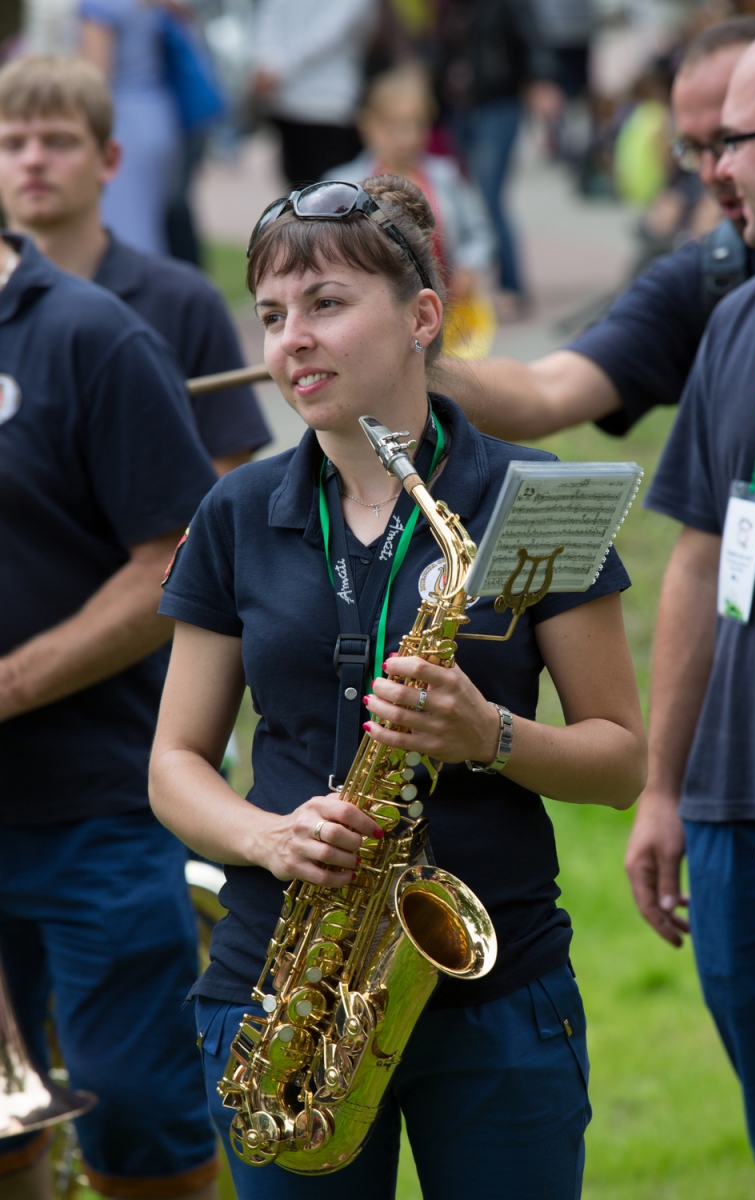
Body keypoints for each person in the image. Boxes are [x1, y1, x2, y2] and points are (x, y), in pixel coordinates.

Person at [148, 173, 647, 1200]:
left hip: (490, 987)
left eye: (326, 304)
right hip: (283, 993)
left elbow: (619, 761)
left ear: (421, 317)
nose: (292, 340)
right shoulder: (238, 510)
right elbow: (173, 763)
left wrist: (491, 735)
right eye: (274, 316)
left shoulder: (531, 495)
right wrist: (266, 837)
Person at [0, 225, 220, 1198]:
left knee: (138, 1118)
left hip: (93, 805)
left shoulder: (92, 336)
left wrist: (9, 685)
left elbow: (176, 563)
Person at [624, 18, 755, 1199]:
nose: (713, 169)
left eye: (735, 140)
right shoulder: (742, 315)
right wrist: (659, 785)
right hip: (739, 831)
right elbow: (694, 559)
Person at [438, 15, 755, 442]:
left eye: (730, 139)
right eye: (692, 149)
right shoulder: (713, 273)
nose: (711, 173)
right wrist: (398, 370)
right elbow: (546, 391)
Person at [0, 55, 271, 475]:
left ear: (108, 159)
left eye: (59, 142)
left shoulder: (184, 300)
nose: (33, 160)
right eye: (13, 144)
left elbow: (225, 471)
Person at [326, 62, 496, 357]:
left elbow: (479, 231)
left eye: (417, 125)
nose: (407, 137)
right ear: (369, 125)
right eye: (396, 126)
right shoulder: (342, 186)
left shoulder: (446, 177)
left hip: (444, 314)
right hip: (375, 321)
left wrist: (469, 265)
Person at [434, 0, 563, 318]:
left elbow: (533, 38)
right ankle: (473, 288)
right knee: (463, 197)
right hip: (456, 107)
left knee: (487, 199)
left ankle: (511, 287)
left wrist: (540, 80)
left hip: (498, 102)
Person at [77, 0, 180, 256]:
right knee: (148, 224)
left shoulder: (100, 6)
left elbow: (95, 79)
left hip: (122, 123)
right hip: (157, 116)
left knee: (126, 230)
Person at [251, 0, 376, 188]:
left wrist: (275, 66)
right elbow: (269, 14)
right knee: (301, 190)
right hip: (294, 100)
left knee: (330, 192)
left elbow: (335, 28)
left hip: (328, 101)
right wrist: (269, 64)